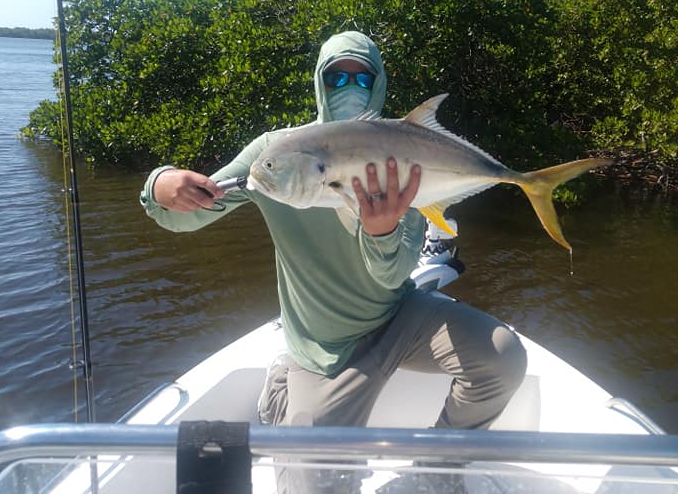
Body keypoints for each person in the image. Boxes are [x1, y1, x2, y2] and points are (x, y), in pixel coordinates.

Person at [139, 30, 527, 488]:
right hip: (323, 347)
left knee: (502, 357)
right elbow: (184, 217)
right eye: (337, 77)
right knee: (311, 485)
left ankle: (437, 465)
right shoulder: (273, 153)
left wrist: (381, 230)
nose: (349, 87)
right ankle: (283, 386)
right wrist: (160, 185)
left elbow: (393, 275)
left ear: (378, 84)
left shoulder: (399, 154)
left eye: (362, 79)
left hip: (397, 314)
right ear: (319, 82)